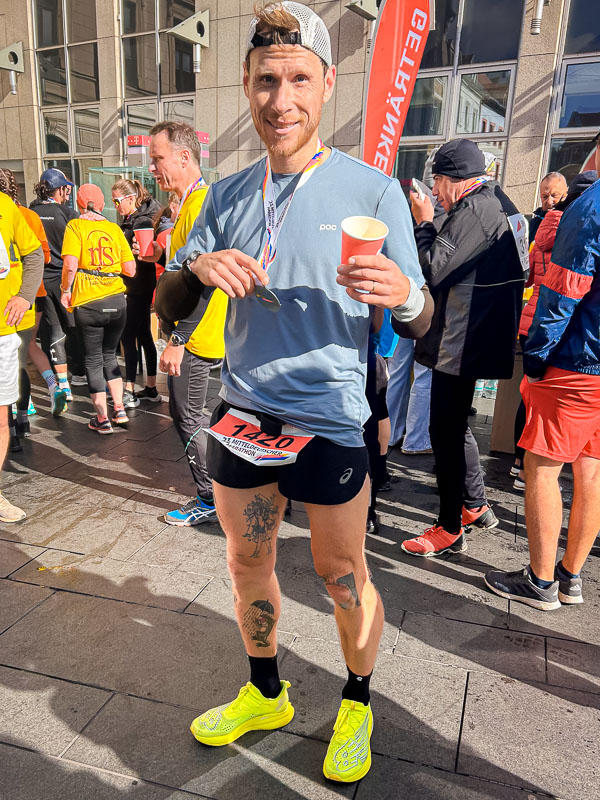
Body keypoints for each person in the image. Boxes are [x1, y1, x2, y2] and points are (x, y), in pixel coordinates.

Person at [155, 1, 431, 782]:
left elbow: (423, 322)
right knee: (247, 563)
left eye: (299, 80)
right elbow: (167, 308)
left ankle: (358, 702)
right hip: (243, 415)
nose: (282, 100)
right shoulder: (223, 197)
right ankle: (266, 692)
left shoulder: (372, 191)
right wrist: (192, 270)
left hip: (332, 418)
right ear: (247, 85)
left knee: (342, 574)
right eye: (267, 81)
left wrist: (404, 295)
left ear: (327, 83)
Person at [485, 137, 600, 611]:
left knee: (542, 467)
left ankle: (540, 581)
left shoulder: (591, 207)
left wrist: (535, 356)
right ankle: (570, 578)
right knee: (591, 470)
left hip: (575, 362)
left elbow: (563, 291)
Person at [402, 138, 526, 558]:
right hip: (481, 332)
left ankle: (449, 528)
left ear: (455, 178)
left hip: (462, 336)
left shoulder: (475, 209)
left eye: (437, 181)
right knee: (454, 426)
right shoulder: (502, 203)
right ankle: (474, 504)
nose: (435, 192)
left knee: (445, 430)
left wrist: (424, 223)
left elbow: (432, 267)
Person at [144, 121, 227, 527]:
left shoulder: (199, 205)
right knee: (202, 415)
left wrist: (178, 339)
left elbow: (201, 281)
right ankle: (224, 492)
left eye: (157, 158)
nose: (152, 168)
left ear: (183, 157)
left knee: (188, 416)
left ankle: (210, 498)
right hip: (200, 332)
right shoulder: (193, 203)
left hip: (196, 336)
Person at [511, 170, 598, 491]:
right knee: (585, 466)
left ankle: (518, 462)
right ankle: (526, 468)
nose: (549, 200)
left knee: (532, 404)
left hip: (544, 327)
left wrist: (536, 359)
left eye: (554, 195)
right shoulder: (580, 220)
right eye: (546, 195)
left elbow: (540, 282)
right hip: (569, 336)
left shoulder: (548, 225)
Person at [0, 169, 68, 450]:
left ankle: (16, 422)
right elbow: (45, 254)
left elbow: (37, 253)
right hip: (33, 294)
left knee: (17, 360)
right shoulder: (27, 215)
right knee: (24, 355)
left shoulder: (25, 212)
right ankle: (49, 392)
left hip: (18, 298)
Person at [60, 184, 135, 434]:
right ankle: (119, 409)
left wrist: (66, 290)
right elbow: (130, 269)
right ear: (101, 204)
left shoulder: (75, 226)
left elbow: (70, 266)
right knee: (110, 355)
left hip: (88, 302)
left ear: (79, 204)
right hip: (116, 301)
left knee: (93, 359)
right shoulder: (114, 228)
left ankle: (102, 418)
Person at [0, 191, 44, 521]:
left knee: (1, 418)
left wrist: (25, 296)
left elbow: (34, 254)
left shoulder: (5, 206)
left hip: (3, 331)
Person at [30, 168, 86, 398]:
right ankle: (79, 373)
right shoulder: (69, 214)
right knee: (73, 327)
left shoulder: (31, 212)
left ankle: (62, 383)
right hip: (65, 280)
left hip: (39, 282)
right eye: (67, 189)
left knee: (51, 330)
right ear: (61, 189)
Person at [111, 179, 161, 407]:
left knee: (128, 335)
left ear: (130, 199)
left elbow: (146, 256)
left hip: (137, 286)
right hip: (138, 285)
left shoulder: (141, 221)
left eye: (117, 201)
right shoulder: (134, 220)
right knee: (143, 335)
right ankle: (151, 388)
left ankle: (130, 390)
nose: (115, 205)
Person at [528, 172, 567, 242]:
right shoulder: (533, 225)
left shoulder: (571, 222)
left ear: (565, 194)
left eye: (554, 195)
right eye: (545, 197)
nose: (549, 202)